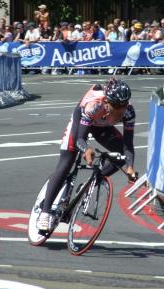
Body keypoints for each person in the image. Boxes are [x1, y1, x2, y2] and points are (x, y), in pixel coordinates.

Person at [37, 78, 137, 231]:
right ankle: (44, 213)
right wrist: (86, 149)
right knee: (66, 163)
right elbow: (80, 139)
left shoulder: (128, 112)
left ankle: (92, 182)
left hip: (102, 126)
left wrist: (130, 166)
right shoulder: (94, 105)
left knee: (121, 156)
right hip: (82, 122)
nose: (120, 110)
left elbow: (128, 145)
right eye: (116, 105)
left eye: (123, 105)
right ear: (107, 101)